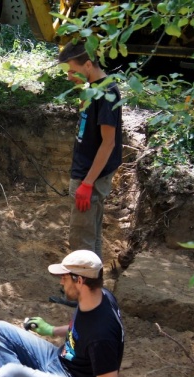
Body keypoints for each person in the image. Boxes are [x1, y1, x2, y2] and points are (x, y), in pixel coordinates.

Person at [50, 41, 123, 307]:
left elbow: (109, 143)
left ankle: (82, 296)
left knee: (81, 239)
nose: (69, 77)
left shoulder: (106, 95)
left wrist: (87, 184)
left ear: (89, 65)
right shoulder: (94, 90)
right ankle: (94, 292)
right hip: (86, 175)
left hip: (89, 179)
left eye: (72, 70)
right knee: (90, 235)